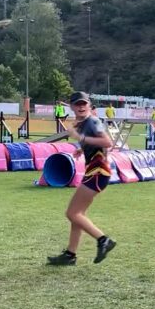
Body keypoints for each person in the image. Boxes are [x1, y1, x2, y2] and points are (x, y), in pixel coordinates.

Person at [47, 91, 116, 266]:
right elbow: (97, 144)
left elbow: (108, 142)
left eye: (84, 103)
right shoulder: (83, 123)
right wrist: (82, 148)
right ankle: (70, 255)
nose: (81, 107)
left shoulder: (92, 121)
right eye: (77, 104)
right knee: (78, 215)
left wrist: (81, 138)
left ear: (89, 105)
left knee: (72, 213)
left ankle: (103, 240)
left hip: (98, 172)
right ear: (72, 106)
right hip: (95, 171)